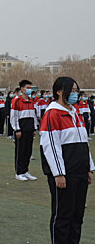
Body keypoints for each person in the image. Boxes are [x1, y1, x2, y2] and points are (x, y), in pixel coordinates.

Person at [40, 77, 94, 244]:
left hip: (80, 172)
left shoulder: (75, 112)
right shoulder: (52, 114)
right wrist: (59, 173)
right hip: (65, 174)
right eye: (73, 90)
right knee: (63, 216)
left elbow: (83, 142)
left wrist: (89, 168)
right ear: (60, 92)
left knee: (77, 216)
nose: (76, 94)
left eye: (77, 91)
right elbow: (51, 146)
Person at [11, 79, 38, 181]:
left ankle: (25, 171)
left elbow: (33, 115)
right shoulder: (17, 100)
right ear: (22, 89)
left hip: (29, 129)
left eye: (30, 88)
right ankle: (18, 172)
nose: (29, 90)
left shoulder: (31, 100)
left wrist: (34, 127)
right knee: (20, 151)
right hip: (21, 129)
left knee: (28, 151)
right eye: (28, 88)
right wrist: (17, 129)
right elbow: (14, 116)